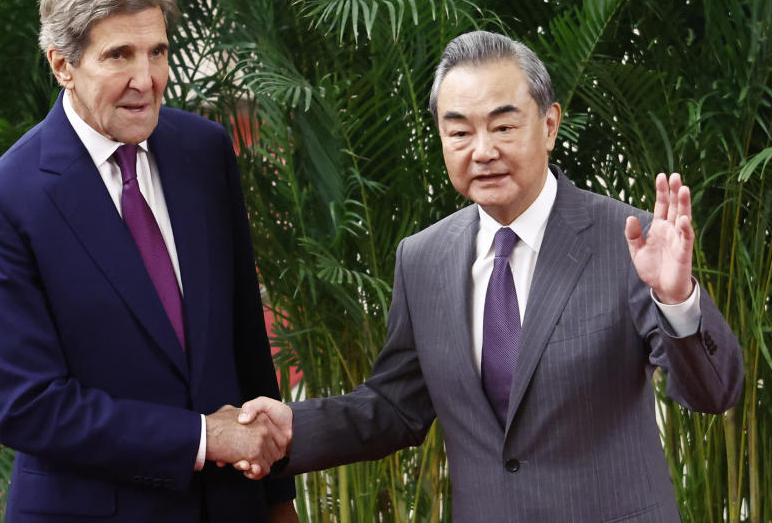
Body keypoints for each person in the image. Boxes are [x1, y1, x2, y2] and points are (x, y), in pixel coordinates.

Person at [241, 31, 744, 522]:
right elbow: (396, 407)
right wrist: (291, 430)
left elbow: (711, 394)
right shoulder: (422, 259)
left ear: (549, 125)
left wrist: (676, 298)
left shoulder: (628, 240)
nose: (481, 151)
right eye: (459, 132)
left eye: (503, 127)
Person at [0, 0, 297, 522]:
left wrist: (276, 500)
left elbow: (245, 340)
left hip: (232, 507)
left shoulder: (204, 151)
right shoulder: (2, 203)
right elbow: (29, 406)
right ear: (62, 64)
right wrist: (201, 438)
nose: (148, 79)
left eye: (158, 52)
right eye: (120, 55)